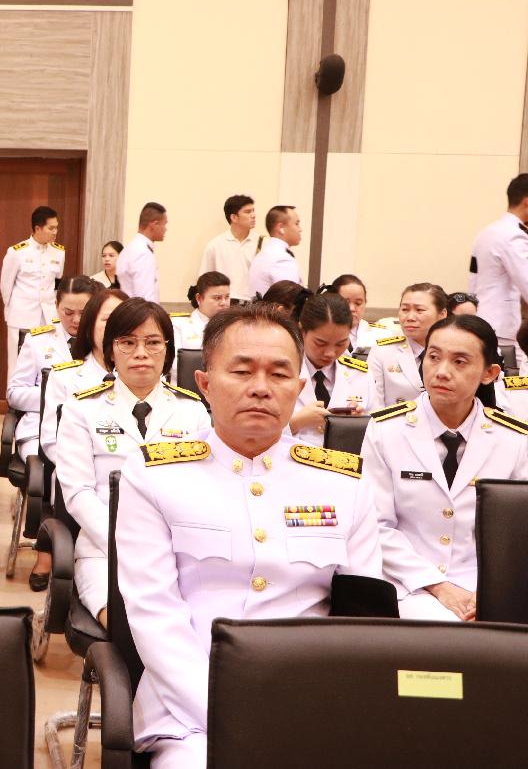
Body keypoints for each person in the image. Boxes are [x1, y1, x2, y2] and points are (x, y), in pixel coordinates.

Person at [118, 303, 385, 767]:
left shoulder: (343, 483)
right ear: (205, 384)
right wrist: (231, 712)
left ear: (298, 388)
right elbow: (154, 615)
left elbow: (362, 622)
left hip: (313, 704)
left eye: (279, 374)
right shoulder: (155, 475)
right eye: (242, 371)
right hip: (191, 714)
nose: (261, 387)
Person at [54, 298, 212, 625]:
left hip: (177, 551)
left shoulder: (192, 411)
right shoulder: (81, 410)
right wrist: (125, 541)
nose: (141, 353)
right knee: (125, 625)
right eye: (128, 343)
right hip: (105, 550)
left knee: (193, 625)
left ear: (167, 350)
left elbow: (201, 489)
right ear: (111, 351)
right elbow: (78, 493)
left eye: (153, 343)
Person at [365, 314, 528, 623]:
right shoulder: (386, 430)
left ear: (489, 373)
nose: (441, 371)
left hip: (484, 585)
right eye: (433, 357)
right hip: (408, 583)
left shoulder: (514, 439)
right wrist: (438, 585)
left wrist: (493, 590)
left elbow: (519, 533)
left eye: (459, 362)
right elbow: (376, 525)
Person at [7, 276, 100, 465]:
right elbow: (14, 393)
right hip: (40, 429)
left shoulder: (103, 342)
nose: (76, 320)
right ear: (56, 305)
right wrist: (56, 396)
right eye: (68, 312)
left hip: (91, 428)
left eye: (83, 313)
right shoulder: (38, 341)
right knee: (50, 468)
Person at [40, 289, 131, 468]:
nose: (116, 327)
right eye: (108, 319)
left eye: (123, 320)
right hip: (80, 473)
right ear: (89, 327)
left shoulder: (149, 377)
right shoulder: (64, 377)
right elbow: (51, 441)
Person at [288, 293, 371, 443]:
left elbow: (377, 434)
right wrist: (295, 423)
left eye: (340, 343)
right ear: (302, 331)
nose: (330, 353)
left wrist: (359, 424)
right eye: (320, 343)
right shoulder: (282, 371)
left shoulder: (360, 374)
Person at [0, 205, 67, 378]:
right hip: (22, 315)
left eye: (56, 227)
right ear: (38, 228)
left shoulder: (59, 252)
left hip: (48, 317)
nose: (55, 232)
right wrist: (11, 312)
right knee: (18, 364)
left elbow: (57, 282)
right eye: (51, 228)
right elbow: (6, 287)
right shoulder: (17, 252)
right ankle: (14, 395)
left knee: (48, 360)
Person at [469, 173, 528, 363]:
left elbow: (473, 281)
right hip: (505, 329)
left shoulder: (487, 232)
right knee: (513, 379)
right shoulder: (514, 236)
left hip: (484, 319)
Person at [369, 283, 448, 409]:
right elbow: (373, 405)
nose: (410, 317)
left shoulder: (454, 350)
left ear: (442, 315)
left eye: (419, 310)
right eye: (405, 310)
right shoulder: (383, 351)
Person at [198, 195, 258, 303]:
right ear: (234, 217)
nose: (253, 215)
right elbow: (204, 280)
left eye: (253, 211)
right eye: (248, 212)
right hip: (224, 303)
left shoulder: (262, 243)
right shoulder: (215, 245)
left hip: (254, 303)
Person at [326, 273, 390, 354]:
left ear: (365, 303)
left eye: (358, 303)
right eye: (345, 302)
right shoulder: (320, 332)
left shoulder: (382, 335)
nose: (352, 308)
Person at [116, 202, 166, 303]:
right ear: (154, 224)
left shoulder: (130, 248)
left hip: (130, 308)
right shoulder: (142, 252)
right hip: (140, 311)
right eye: (164, 224)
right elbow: (144, 298)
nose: (165, 229)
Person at [249, 205, 303, 297]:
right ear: (281, 228)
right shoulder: (280, 259)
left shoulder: (267, 252)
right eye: (296, 224)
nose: (300, 229)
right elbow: (292, 299)